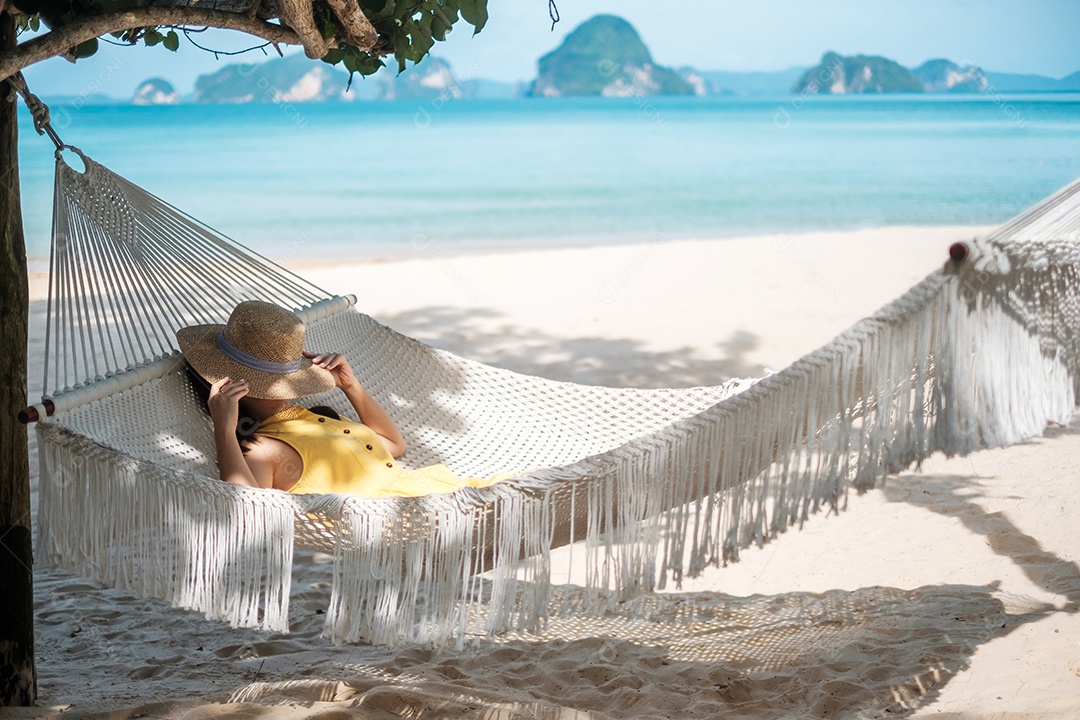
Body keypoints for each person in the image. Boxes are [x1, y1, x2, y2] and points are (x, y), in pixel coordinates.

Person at [178, 300, 512, 498]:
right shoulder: (263, 448)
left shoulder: (312, 419)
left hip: (450, 490)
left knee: (544, 483)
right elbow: (247, 506)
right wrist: (224, 427)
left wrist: (351, 387)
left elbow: (393, 446)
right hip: (417, 515)